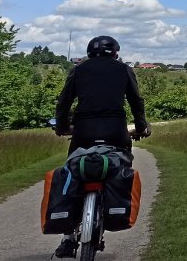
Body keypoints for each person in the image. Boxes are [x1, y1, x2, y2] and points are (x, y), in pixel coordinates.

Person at [53, 35, 149, 258]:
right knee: (120, 163)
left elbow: (64, 102)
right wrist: (142, 126)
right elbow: (137, 101)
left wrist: (61, 127)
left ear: (89, 54)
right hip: (116, 130)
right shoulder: (123, 69)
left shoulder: (79, 70)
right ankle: (111, 207)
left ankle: (68, 238)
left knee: (73, 168)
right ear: (115, 53)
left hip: (83, 131)